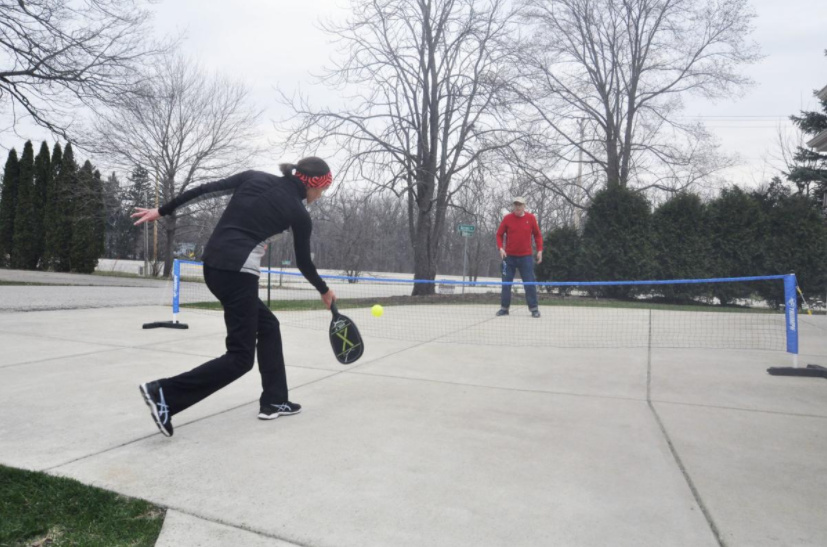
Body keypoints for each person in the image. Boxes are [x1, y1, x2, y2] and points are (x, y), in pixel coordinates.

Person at [132, 157, 336, 437]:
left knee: (268, 326)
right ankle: (164, 394)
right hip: (238, 274)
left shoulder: (254, 177)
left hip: (213, 266)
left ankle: (275, 399)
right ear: (313, 185)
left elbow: (205, 189)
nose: (320, 196)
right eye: (322, 190)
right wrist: (324, 290)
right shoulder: (298, 213)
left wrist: (162, 210)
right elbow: (304, 262)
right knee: (240, 357)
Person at [495, 196, 543, 318]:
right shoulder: (507, 218)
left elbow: (537, 235)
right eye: (515, 204)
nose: (517, 207)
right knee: (506, 283)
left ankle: (534, 309)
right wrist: (501, 248)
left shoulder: (531, 218)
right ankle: (504, 309)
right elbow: (499, 235)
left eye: (520, 205)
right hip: (509, 258)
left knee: (529, 283)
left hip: (526, 257)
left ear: (524, 206)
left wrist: (539, 250)